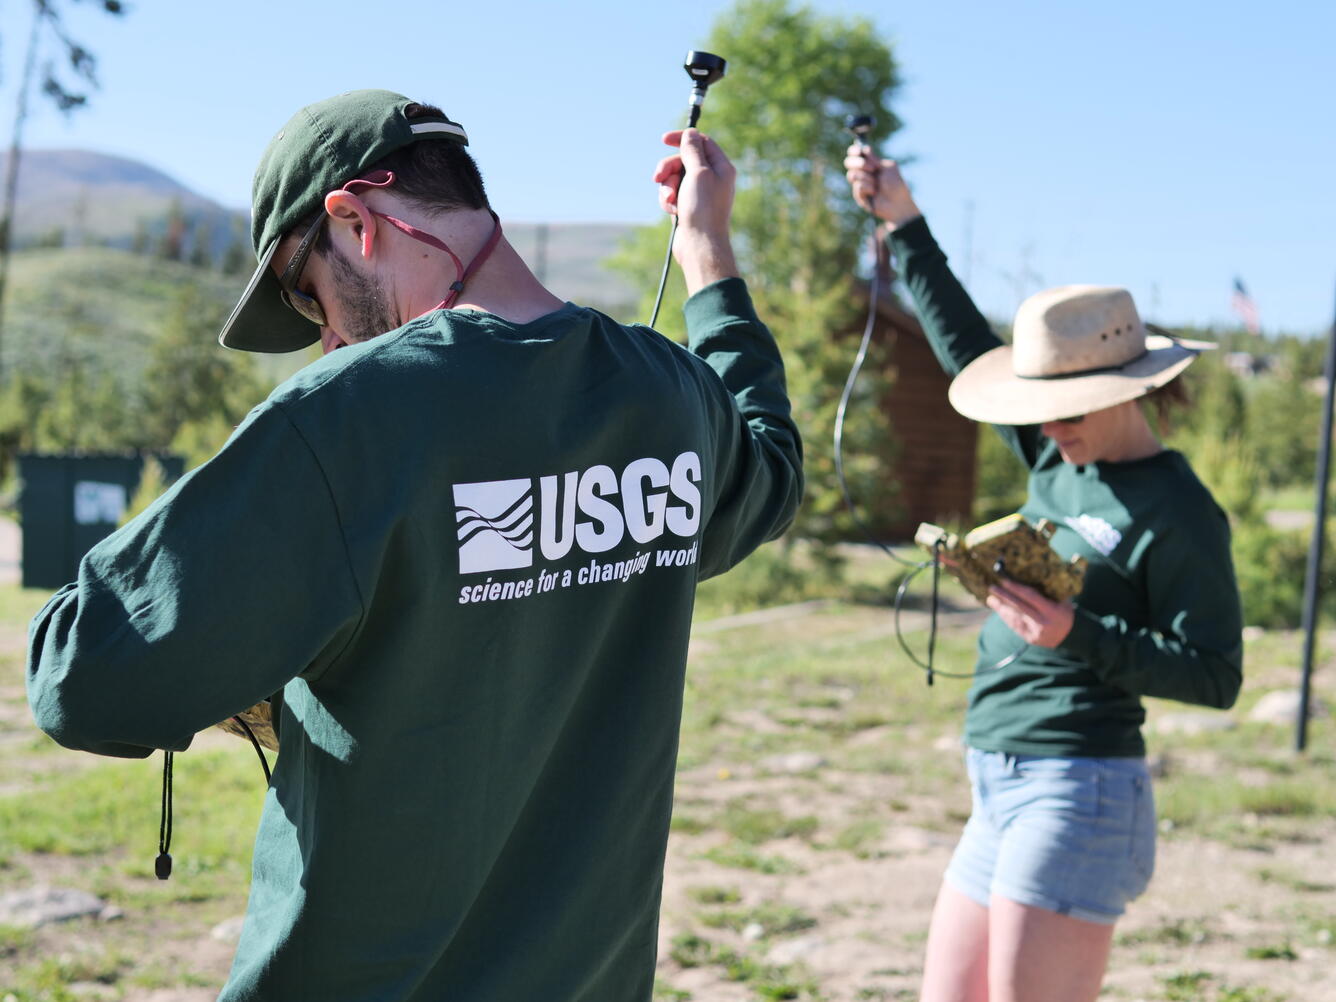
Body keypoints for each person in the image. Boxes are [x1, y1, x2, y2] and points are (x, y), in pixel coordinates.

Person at [26, 89, 803, 1001]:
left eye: (303, 291)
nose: (325, 335)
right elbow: (772, 471)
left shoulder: (347, 418)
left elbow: (80, 679)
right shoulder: (669, 393)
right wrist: (708, 254)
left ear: (353, 221)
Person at [845, 147, 1242, 1002]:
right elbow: (959, 343)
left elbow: (1217, 675)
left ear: (1124, 389)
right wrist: (904, 223)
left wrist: (1076, 633)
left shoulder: (1182, 513)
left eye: (1063, 412)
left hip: (1080, 787)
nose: (1048, 431)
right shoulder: (1058, 455)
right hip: (995, 780)